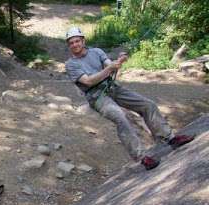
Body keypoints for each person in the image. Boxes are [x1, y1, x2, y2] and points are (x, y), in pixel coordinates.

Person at [64, 27, 194, 170]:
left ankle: (170, 138)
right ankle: (143, 157)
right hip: (97, 97)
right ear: (69, 45)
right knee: (120, 117)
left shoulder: (97, 52)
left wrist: (119, 61)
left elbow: (110, 65)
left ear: (83, 40)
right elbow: (88, 81)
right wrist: (109, 69)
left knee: (147, 105)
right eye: (71, 43)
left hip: (113, 87)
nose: (75, 45)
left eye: (77, 41)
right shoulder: (71, 64)